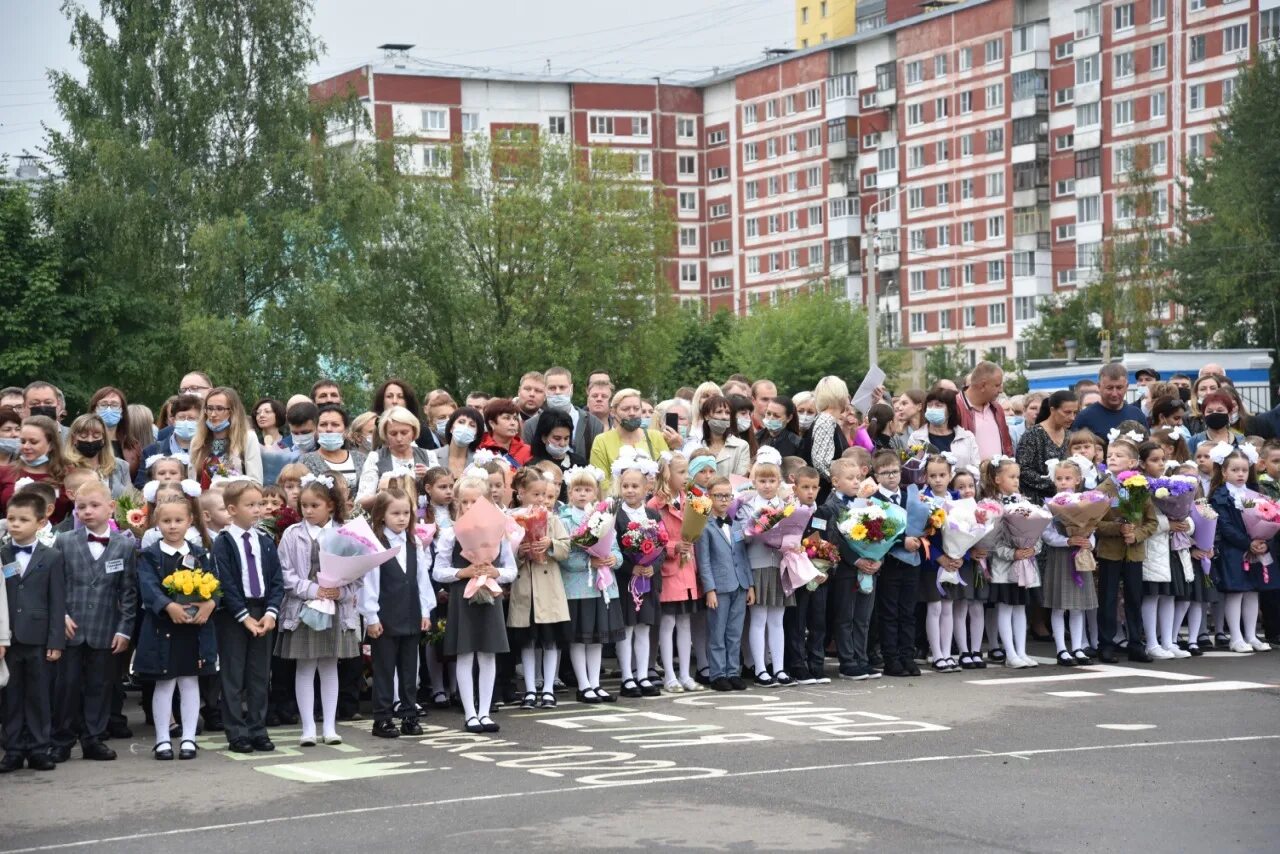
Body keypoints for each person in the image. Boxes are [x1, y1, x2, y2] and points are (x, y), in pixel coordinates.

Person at [50, 481, 136, 762]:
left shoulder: (124, 545)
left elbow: (128, 592)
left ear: (111, 508)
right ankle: (62, 739)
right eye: (81, 507)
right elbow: (55, 585)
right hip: (70, 628)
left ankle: (93, 738)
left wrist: (124, 629)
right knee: (67, 686)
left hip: (105, 628)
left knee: (100, 686)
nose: (87, 511)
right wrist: (60, 615)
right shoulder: (64, 541)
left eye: (94, 505)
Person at [275, 475, 361, 746]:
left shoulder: (345, 534)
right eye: (304, 506)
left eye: (315, 505)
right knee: (305, 666)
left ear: (331, 506)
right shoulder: (292, 534)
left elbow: (357, 577)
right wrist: (313, 590)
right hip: (303, 608)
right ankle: (308, 727)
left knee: (329, 666)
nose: (308, 511)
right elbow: (285, 575)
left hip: (334, 609)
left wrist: (340, 592)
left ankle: (330, 727)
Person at [134, 491, 216, 761]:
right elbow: (147, 586)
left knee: (190, 682)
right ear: (157, 523)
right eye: (166, 521)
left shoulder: (200, 554)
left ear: (190, 521)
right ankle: (162, 739)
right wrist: (168, 606)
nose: (172, 526)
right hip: (162, 629)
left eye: (178, 520)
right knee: (165, 683)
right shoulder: (148, 555)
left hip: (193, 628)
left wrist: (209, 604)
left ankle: (189, 738)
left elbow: (215, 584)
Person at [434, 476, 518, 733]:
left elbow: (511, 570)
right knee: (465, 653)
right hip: (463, 597)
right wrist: (463, 573)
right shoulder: (450, 533)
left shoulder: (499, 533)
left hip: (490, 596)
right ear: (457, 504)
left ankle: (485, 711)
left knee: (487, 653)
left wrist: (495, 573)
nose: (469, 507)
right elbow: (438, 571)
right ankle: (469, 712)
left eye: (475, 502)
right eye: (465, 502)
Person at [211, 480, 282, 754]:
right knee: (233, 674)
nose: (258, 509)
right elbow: (225, 582)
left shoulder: (264, 541)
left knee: (259, 674)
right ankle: (237, 732)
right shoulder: (224, 542)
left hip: (262, 612)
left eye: (260, 504)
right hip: (234, 615)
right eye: (250, 505)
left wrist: (271, 612)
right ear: (231, 509)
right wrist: (243, 616)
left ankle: (257, 728)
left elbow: (276, 579)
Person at [0, 491, 65, 773]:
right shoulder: (2, 554)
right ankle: (13, 749)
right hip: (9, 639)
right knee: (11, 696)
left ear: (40, 522)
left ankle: (39, 748)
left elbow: (57, 600)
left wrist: (56, 640)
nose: (15, 524)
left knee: (39, 696)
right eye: (11, 518)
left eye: (23, 519)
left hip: (39, 638)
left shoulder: (51, 557)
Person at [363, 488, 437, 736]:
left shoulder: (413, 542)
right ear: (382, 515)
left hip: (410, 613)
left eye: (406, 513)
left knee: (409, 669)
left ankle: (409, 714)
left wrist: (425, 610)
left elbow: (421, 579)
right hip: (385, 616)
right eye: (395, 513)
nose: (402, 518)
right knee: (384, 669)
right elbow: (369, 583)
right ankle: (382, 718)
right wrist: (371, 616)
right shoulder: (374, 544)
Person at [558, 465, 623, 703]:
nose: (582, 494)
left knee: (597, 638)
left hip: (602, 587)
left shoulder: (604, 516)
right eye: (577, 489)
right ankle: (583, 684)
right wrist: (589, 562)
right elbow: (565, 557)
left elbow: (615, 548)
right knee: (579, 638)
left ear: (595, 493)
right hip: (578, 589)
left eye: (587, 489)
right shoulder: (564, 520)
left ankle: (596, 683)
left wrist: (613, 559)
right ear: (569, 492)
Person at [506, 469, 570, 709]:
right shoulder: (512, 520)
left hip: (548, 589)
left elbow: (566, 548)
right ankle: (531, 689)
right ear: (521, 493)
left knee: (550, 640)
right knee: (528, 641)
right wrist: (519, 553)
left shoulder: (553, 519)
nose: (542, 499)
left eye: (545, 494)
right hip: (525, 588)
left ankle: (549, 689)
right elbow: (505, 555)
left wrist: (551, 544)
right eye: (536, 494)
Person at [1094, 438, 1157, 663]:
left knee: (1134, 598)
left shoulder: (1140, 487)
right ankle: (1106, 643)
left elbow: (1151, 522)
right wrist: (1118, 528)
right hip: (1110, 551)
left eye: (1119, 455)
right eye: (1110, 455)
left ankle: (1135, 643)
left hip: (1134, 552)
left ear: (1132, 462)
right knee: (1108, 598)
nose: (1112, 458)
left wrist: (1136, 534)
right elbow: (1095, 523)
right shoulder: (1102, 489)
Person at [1209, 445, 1274, 653]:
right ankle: (1235, 637)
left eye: (1244, 470)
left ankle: (1251, 635)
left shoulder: (1254, 495)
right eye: (1235, 470)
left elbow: (1266, 518)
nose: (1240, 474)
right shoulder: (1220, 496)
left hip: (1254, 549)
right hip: (1232, 551)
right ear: (1224, 472)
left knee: (1253, 592)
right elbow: (1225, 526)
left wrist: (1263, 541)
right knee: (1236, 592)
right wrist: (1248, 543)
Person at [737, 456, 794, 686]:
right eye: (762, 480)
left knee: (777, 620)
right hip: (757, 565)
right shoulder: (747, 506)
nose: (767, 485)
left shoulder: (786, 506)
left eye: (772, 480)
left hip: (780, 565)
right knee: (758, 618)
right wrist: (756, 528)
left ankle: (778, 667)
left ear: (779, 482)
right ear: (755, 482)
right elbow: (742, 537)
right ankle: (759, 668)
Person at [611, 455, 664, 698]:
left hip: (647, 580)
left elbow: (662, 544)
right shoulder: (614, 515)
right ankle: (627, 677)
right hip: (625, 581)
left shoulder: (653, 515)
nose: (630, 490)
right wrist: (629, 568)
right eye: (626, 486)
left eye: (635, 486)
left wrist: (654, 565)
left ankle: (642, 674)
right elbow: (611, 549)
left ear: (646, 488)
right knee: (627, 628)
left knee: (644, 628)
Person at [696, 476, 753, 692]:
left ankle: (733, 672)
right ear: (709, 497)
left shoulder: (736, 524)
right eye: (718, 495)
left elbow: (742, 556)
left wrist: (750, 585)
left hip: (739, 585)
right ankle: (718, 673)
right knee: (717, 632)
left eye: (727, 495)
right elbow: (704, 561)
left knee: (734, 632)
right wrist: (709, 589)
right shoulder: (705, 526)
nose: (723, 500)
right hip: (719, 587)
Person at [355, 406, 440, 509]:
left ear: (414, 432)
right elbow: (360, 503)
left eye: (404, 432)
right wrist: (383, 494)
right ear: (385, 435)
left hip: (424, 520)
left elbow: (443, 495)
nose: (399, 438)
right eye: (393, 434)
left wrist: (431, 478)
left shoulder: (428, 455)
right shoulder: (375, 457)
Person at [590, 388, 672, 491]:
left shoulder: (656, 437)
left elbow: (667, 477)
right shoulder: (601, 441)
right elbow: (601, 483)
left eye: (636, 408)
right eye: (625, 409)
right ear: (613, 412)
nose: (632, 413)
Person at [521, 367, 605, 461]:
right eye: (552, 388)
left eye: (562, 387)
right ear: (545, 390)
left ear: (571, 389)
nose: (557, 392)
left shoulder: (593, 424)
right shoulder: (531, 425)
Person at [0, 415, 72, 523]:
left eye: (33, 442)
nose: (26, 446)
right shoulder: (5, 472)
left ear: (51, 445)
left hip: (54, 537)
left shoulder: (68, 475)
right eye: (23, 441)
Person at [189, 388, 264, 486]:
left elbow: (256, 483)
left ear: (233, 411)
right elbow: (191, 482)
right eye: (210, 408)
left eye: (220, 409)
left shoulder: (247, 438)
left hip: (235, 499)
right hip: (202, 499)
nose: (213, 414)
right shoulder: (197, 440)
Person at [1015, 390, 1079, 505]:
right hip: (1037, 502)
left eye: (1075, 413)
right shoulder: (1033, 434)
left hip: (1067, 501)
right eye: (1067, 412)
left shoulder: (1070, 435)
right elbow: (1023, 469)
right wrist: (1055, 482)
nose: (1072, 417)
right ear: (1052, 410)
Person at [135, 394, 202, 488]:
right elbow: (141, 485)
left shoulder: (208, 451)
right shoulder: (152, 451)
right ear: (174, 420)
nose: (186, 422)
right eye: (181, 418)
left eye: (191, 418)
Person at [300, 404, 367, 497]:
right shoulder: (305, 461)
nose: (329, 429)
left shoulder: (361, 458)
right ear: (316, 429)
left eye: (335, 425)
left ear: (346, 431)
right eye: (323, 425)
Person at [802, 376, 851, 499]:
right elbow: (821, 462)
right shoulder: (826, 420)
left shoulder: (828, 420)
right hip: (825, 495)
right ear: (839, 395)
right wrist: (845, 481)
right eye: (846, 394)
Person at [1072, 363, 1147, 443]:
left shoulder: (1137, 414)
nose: (1114, 393)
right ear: (1099, 386)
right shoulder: (1084, 418)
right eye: (1109, 388)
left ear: (1127, 387)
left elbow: (1147, 448)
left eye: (1119, 388)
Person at [908, 388, 980, 471]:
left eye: (938, 405)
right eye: (929, 405)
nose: (932, 409)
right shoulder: (916, 438)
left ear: (950, 410)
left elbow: (976, 468)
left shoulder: (967, 437)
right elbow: (912, 469)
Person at [956, 361, 1013, 460]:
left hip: (999, 474)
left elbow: (1007, 447)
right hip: (969, 474)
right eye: (997, 385)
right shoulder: (955, 407)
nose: (1001, 390)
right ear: (982, 385)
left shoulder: (997, 409)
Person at [63, 413, 130, 497]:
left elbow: (130, 498)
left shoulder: (121, 465)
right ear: (73, 439)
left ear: (103, 439)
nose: (90, 440)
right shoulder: (65, 466)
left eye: (96, 435)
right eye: (83, 435)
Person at [478, 398, 532, 468]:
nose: (513, 423)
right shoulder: (480, 449)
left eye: (515, 418)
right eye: (507, 418)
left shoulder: (527, 451)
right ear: (492, 423)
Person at [1188, 391, 1241, 456]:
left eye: (1220, 410)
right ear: (1204, 415)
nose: (1214, 413)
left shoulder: (1240, 440)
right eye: (1210, 411)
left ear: (1229, 414)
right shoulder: (1194, 441)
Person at [441, 407, 483, 480]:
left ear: (476, 435)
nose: (465, 427)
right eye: (461, 422)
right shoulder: (431, 456)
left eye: (472, 425)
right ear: (451, 428)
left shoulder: (481, 461)